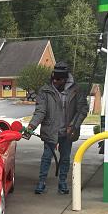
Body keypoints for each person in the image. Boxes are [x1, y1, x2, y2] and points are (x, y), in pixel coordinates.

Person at [24, 61, 88, 194]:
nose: (56, 82)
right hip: (50, 130)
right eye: (54, 79)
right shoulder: (45, 90)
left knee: (65, 158)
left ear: (65, 79)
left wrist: (74, 126)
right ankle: (41, 182)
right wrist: (31, 126)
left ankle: (63, 183)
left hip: (68, 131)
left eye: (59, 80)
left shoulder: (76, 90)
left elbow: (82, 110)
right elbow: (40, 111)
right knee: (46, 157)